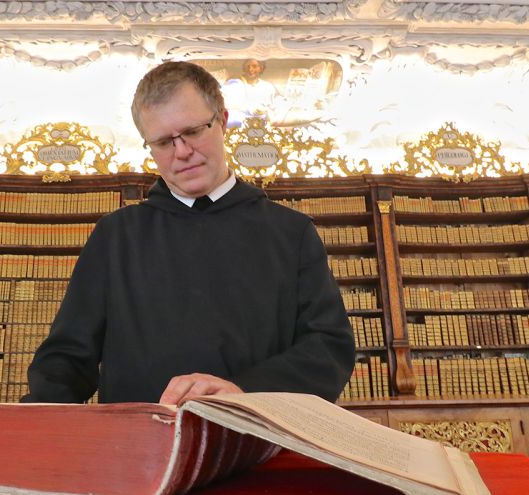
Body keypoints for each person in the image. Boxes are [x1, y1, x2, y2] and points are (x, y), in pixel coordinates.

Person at [22, 61, 355, 405]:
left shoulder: (291, 233)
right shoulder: (116, 236)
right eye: (164, 142)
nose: (182, 152)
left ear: (222, 121)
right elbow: (67, 358)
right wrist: (37, 425)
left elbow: (328, 348)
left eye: (193, 132)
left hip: (256, 445)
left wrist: (243, 391)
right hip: (140, 449)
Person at [223, 58, 281, 126]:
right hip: (239, 126)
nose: (250, 69)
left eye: (254, 66)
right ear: (243, 68)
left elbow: (274, 108)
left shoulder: (268, 87)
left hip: (263, 127)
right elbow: (227, 105)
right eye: (248, 66)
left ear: (261, 68)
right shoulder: (234, 84)